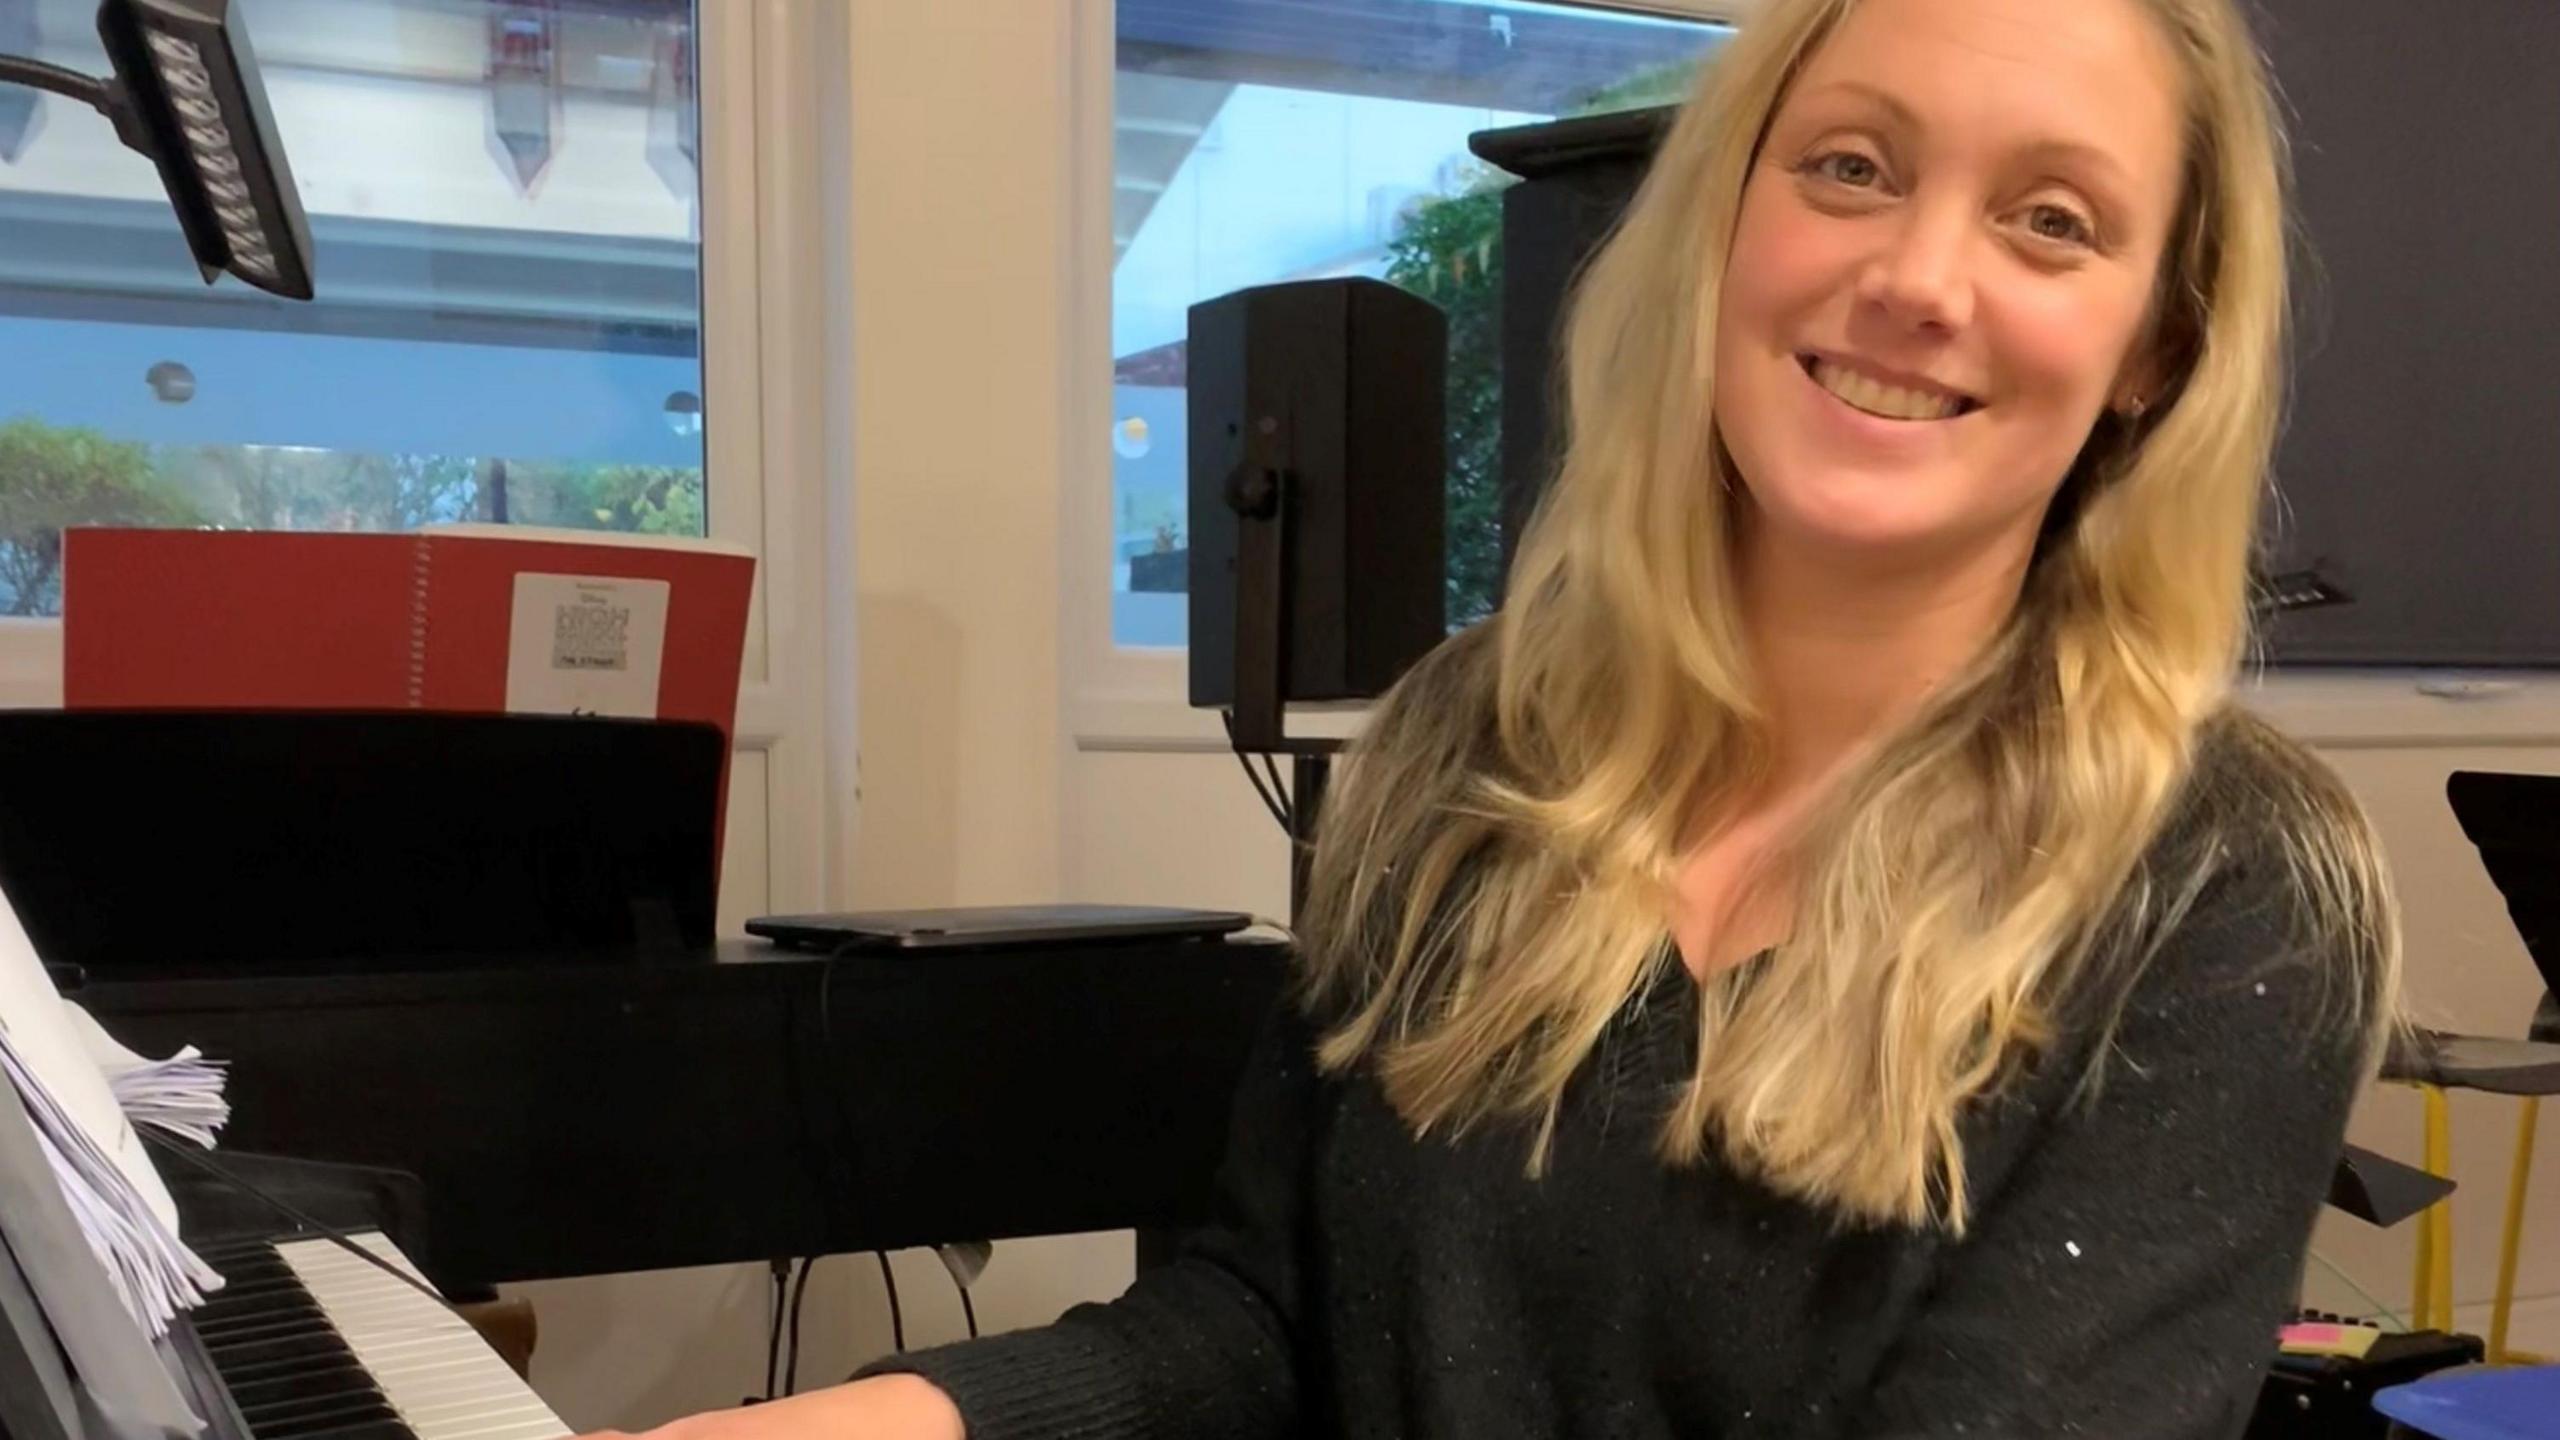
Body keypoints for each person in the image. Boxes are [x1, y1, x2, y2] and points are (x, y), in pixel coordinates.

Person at [604, 0, 2400, 1434]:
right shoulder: (1469, 743)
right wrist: (877, 1419)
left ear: (2157, 345)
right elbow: (1270, 1317)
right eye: (1852, 166)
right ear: (1729, 220)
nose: (1922, 277)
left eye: (2051, 219)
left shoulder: (2232, 886)